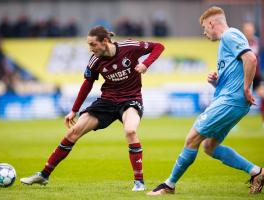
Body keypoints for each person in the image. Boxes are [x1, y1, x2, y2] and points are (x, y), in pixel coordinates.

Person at [20, 26, 165, 191]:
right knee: (72, 132)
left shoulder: (129, 47)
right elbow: (87, 84)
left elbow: (158, 46)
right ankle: (44, 175)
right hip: (107, 101)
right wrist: (74, 110)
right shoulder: (95, 60)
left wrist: (146, 64)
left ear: (105, 41)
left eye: (92, 44)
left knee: (130, 131)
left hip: (131, 100)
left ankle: (139, 182)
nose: (90, 49)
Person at [147, 7, 264, 196]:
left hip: (231, 100)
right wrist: (216, 82)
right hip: (231, 100)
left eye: (204, 28)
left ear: (212, 23)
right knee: (209, 146)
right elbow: (235, 74)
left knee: (192, 138)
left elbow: (251, 59)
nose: (204, 33)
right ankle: (256, 172)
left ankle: (169, 185)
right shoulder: (225, 43)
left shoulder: (230, 35)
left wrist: (246, 87)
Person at [242, 22, 264, 132]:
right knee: (237, 101)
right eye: (247, 30)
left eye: (251, 30)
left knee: (263, 94)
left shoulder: (257, 42)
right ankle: (230, 124)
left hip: (256, 76)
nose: (249, 32)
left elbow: (260, 57)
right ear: (244, 31)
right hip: (244, 76)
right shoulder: (241, 42)